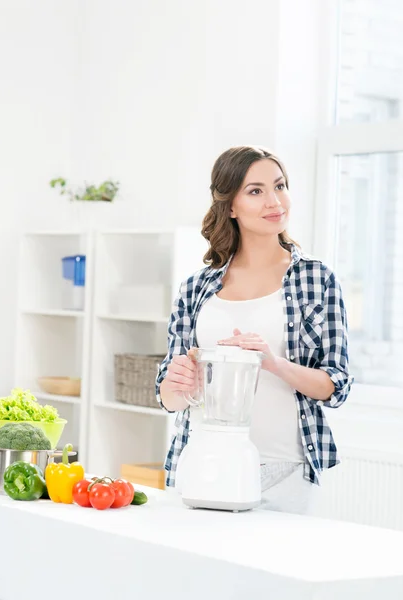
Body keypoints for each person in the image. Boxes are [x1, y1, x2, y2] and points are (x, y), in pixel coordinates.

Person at [155, 145, 353, 514]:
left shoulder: (317, 280)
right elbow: (169, 398)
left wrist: (273, 362)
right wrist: (178, 382)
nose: (274, 201)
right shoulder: (195, 288)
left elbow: (335, 386)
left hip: (285, 471)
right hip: (203, 465)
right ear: (230, 206)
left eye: (279, 186)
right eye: (256, 191)